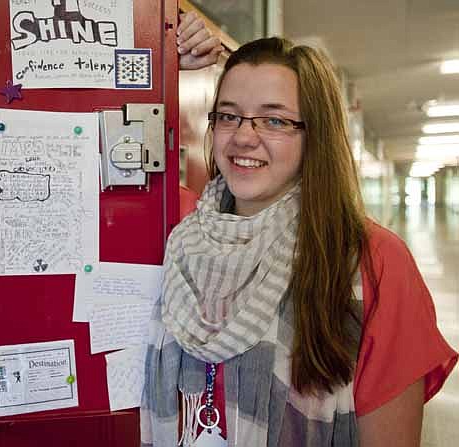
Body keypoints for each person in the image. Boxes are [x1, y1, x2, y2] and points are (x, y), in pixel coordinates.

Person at [142, 33, 459, 447]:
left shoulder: (371, 260)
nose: (243, 137)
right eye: (228, 115)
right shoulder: (177, 230)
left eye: (274, 120)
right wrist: (160, 62)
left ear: (316, 135)